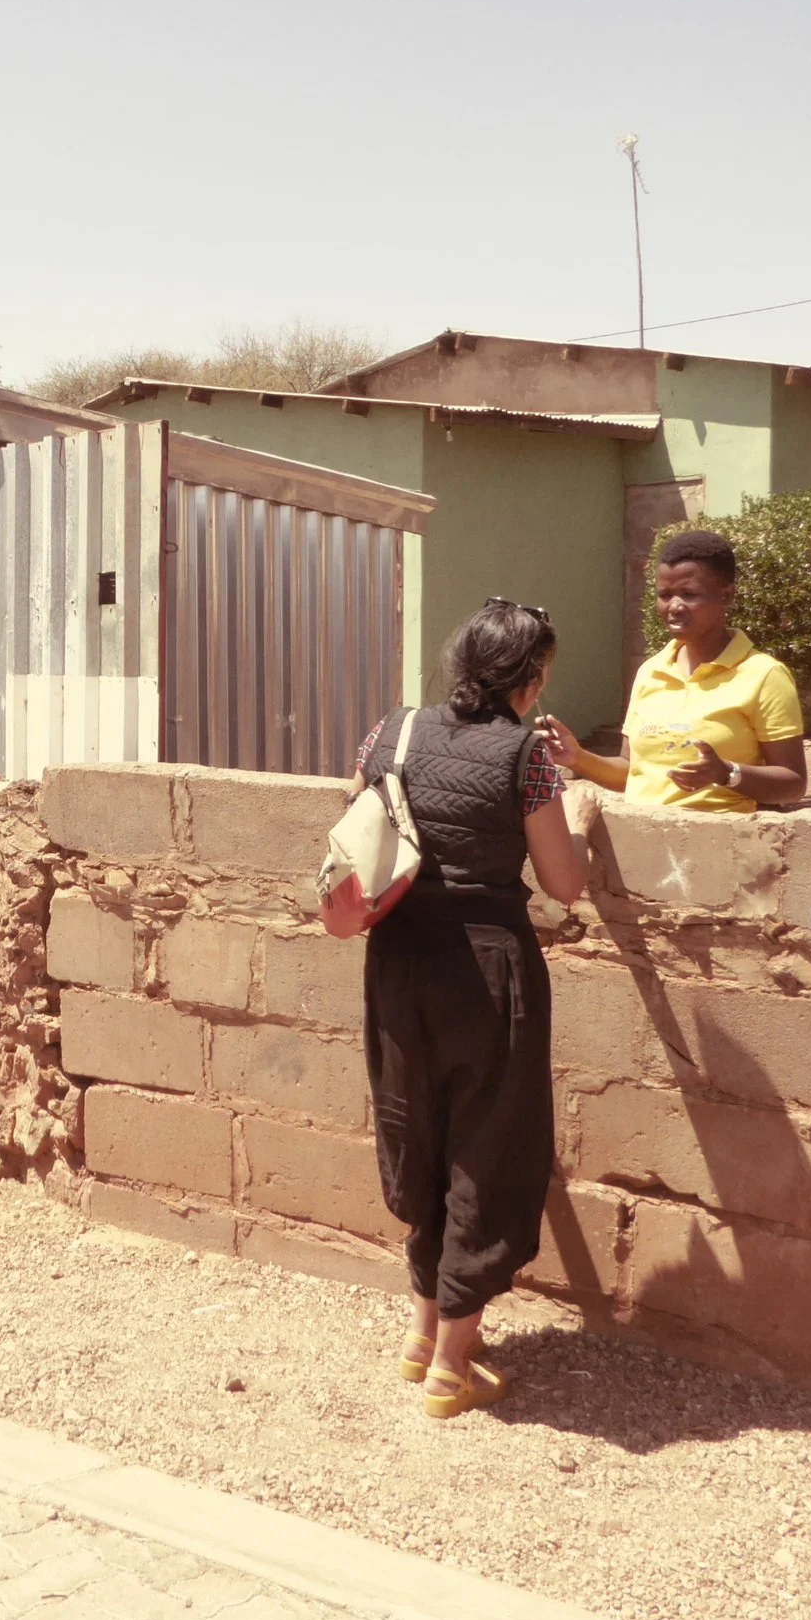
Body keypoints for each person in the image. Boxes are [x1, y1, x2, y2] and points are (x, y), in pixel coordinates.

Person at [350, 598, 587, 1420]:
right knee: (488, 1148)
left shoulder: (393, 730)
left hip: (397, 965)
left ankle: (424, 1334)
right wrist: (581, 822)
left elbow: (358, 832)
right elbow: (564, 882)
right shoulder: (527, 757)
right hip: (487, 973)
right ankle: (453, 1365)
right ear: (529, 677)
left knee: (418, 1133)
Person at [537, 528, 808, 811]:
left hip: (723, 844)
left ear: (726, 596)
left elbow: (793, 784)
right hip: (645, 842)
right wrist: (578, 757)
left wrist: (727, 773)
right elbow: (632, 772)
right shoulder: (650, 671)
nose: (674, 606)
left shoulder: (764, 676)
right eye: (665, 595)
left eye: (689, 594)